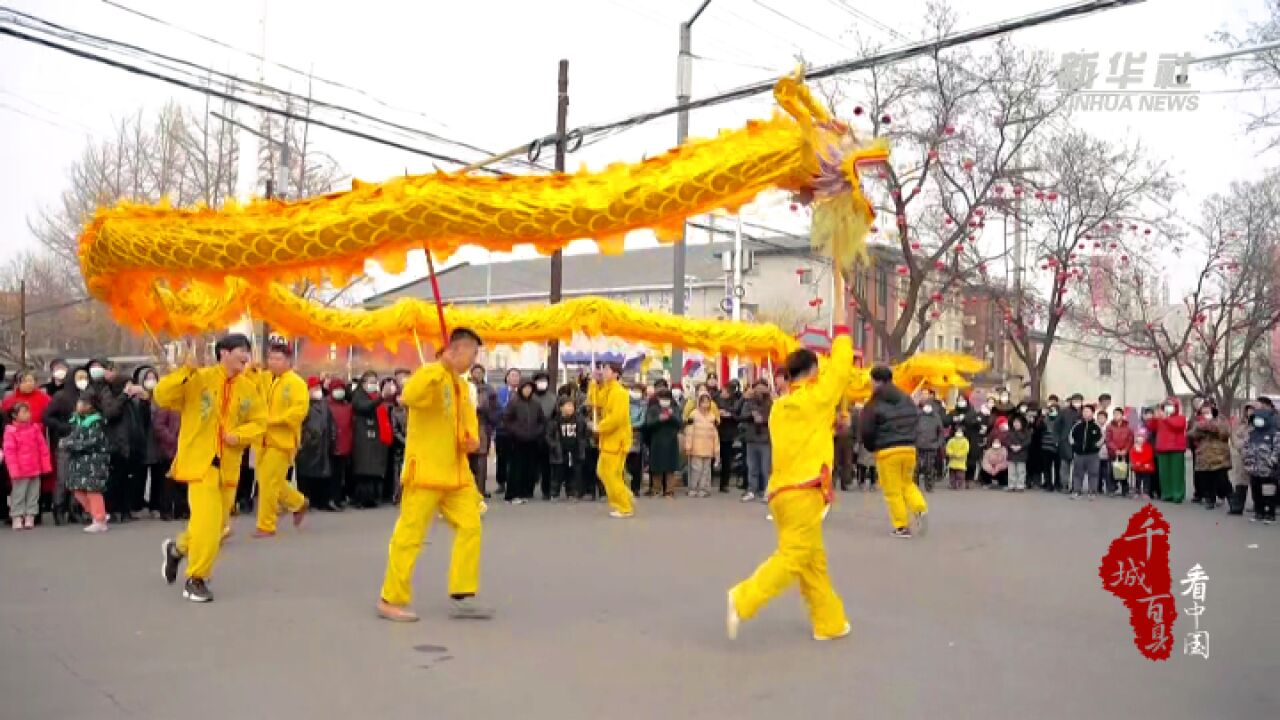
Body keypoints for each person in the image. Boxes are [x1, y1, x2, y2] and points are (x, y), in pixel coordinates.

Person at [726, 323, 854, 641]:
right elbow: (841, 369)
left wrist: (830, 425)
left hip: (782, 493)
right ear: (812, 372)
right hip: (804, 489)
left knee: (812, 561)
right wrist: (841, 333)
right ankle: (744, 598)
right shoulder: (815, 398)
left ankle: (830, 622)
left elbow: (809, 430)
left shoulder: (781, 407)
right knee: (796, 555)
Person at [376, 327, 492, 622]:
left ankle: (463, 590)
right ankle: (391, 598)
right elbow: (409, 396)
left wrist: (472, 440)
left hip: (456, 475)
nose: (474, 359)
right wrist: (438, 367)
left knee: (471, 525)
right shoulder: (429, 377)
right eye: (471, 352)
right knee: (410, 535)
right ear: (454, 351)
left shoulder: (463, 387)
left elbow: (469, 426)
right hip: (426, 472)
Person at [157, 334, 267, 603]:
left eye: (247, 351)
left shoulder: (248, 387)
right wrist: (185, 370)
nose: (245, 356)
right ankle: (195, 579)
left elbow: (260, 420)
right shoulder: (199, 378)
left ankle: (177, 549)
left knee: (217, 527)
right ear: (224, 353)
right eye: (240, 350)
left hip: (228, 467)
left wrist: (239, 435)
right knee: (206, 523)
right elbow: (162, 395)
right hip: (200, 464)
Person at [861, 366, 928, 538]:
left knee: (892, 490)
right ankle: (920, 508)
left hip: (887, 451)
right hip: (908, 448)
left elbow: (867, 430)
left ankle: (901, 526)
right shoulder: (905, 398)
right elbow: (915, 417)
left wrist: (871, 446)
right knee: (907, 483)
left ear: (876, 381)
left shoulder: (874, 403)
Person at [251, 343, 310, 537]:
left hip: (282, 441)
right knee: (269, 480)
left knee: (268, 483)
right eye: (271, 358)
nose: (273, 362)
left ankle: (266, 525)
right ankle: (298, 502)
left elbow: (299, 411)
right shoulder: (264, 378)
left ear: (288, 361)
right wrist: (251, 368)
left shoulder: (296, 383)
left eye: (278, 359)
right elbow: (247, 383)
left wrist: (274, 421)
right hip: (261, 440)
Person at [588, 361, 636, 518]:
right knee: (603, 471)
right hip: (607, 440)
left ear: (616, 373)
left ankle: (624, 505)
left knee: (611, 474)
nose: (603, 372)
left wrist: (599, 427)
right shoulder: (607, 390)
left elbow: (617, 418)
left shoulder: (620, 393)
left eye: (607, 369)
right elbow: (594, 401)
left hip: (617, 441)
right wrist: (594, 383)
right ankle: (624, 497)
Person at [44, 367, 91, 525]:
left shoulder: (87, 396)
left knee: (78, 478)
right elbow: (48, 417)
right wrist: (63, 427)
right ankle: (58, 508)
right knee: (63, 477)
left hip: (83, 441)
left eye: (85, 377)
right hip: (65, 440)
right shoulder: (61, 397)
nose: (82, 380)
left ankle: (74, 509)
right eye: (79, 377)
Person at [62, 392, 111, 533]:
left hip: (94, 461)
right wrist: (68, 442)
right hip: (78, 461)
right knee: (77, 490)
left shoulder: (97, 422)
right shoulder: (76, 420)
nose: (79, 405)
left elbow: (92, 442)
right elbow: (72, 437)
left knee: (93, 491)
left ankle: (99, 519)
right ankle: (98, 514)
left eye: (83, 403)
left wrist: (69, 444)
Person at [4, 402, 52, 529]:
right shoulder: (11, 431)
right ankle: (17, 516)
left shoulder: (35, 429)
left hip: (35, 468)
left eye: (28, 411)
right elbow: (9, 452)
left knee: (33, 493)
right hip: (20, 470)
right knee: (18, 494)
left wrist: (45, 465)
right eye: (24, 412)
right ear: (15, 415)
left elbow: (43, 448)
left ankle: (30, 515)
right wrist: (13, 469)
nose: (27, 414)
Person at [349, 371, 390, 508]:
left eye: (375, 382)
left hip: (374, 438)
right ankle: (360, 499)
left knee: (372, 470)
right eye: (371, 382)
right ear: (364, 383)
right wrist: (381, 398)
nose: (374, 385)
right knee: (363, 470)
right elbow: (364, 407)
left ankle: (371, 498)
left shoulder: (373, 395)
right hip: (362, 436)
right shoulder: (358, 395)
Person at [296, 377, 337, 511]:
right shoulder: (303, 404)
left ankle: (321, 501)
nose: (317, 391)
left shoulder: (325, 405)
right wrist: (304, 440)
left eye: (318, 388)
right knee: (306, 475)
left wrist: (332, 438)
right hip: (308, 446)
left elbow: (331, 423)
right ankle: (306, 501)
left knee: (322, 475)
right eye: (314, 389)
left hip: (323, 444)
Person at [502, 380, 544, 504]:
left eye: (530, 388)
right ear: (521, 389)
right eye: (525, 388)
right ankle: (511, 494)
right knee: (515, 468)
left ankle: (524, 492)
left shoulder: (536, 403)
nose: (527, 390)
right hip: (517, 440)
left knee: (529, 467)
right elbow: (506, 419)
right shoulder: (514, 402)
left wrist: (537, 432)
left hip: (532, 440)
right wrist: (516, 432)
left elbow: (541, 421)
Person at [149, 374, 183, 520]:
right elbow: (159, 426)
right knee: (167, 483)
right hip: (168, 449)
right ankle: (166, 510)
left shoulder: (184, 403)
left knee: (182, 482)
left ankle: (182, 509)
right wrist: (173, 440)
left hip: (183, 448)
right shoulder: (165, 404)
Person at [1188, 404, 1232, 510]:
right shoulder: (1198, 423)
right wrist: (1199, 429)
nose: (1205, 414)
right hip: (1204, 455)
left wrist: (1213, 428)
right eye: (1203, 412)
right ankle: (1210, 499)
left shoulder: (1221, 420)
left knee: (1222, 479)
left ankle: (1229, 497)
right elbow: (1190, 434)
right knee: (1207, 480)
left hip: (1219, 455)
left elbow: (1226, 432)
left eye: (1207, 412)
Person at [1242, 399, 1279, 524]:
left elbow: (1277, 450)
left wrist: (1271, 462)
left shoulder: (1274, 434)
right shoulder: (1252, 434)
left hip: (1268, 470)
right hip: (1254, 469)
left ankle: (1270, 513)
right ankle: (1259, 512)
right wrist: (1247, 462)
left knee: (1269, 492)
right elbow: (1245, 448)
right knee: (1256, 492)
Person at [546, 396, 587, 500]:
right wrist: (554, 446)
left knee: (572, 472)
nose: (570, 408)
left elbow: (583, 435)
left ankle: (571, 492)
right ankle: (554, 493)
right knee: (557, 473)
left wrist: (581, 447)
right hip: (559, 450)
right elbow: (548, 436)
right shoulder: (555, 420)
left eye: (572, 406)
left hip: (574, 450)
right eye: (567, 405)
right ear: (560, 407)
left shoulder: (579, 420)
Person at [645, 388, 682, 499]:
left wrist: (672, 416)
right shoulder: (653, 409)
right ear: (658, 398)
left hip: (671, 440)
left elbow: (680, 423)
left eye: (667, 398)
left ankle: (669, 491)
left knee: (670, 467)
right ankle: (656, 489)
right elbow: (648, 423)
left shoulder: (675, 408)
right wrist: (659, 419)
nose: (664, 400)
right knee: (656, 465)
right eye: (662, 398)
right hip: (657, 439)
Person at [1148, 398, 1188, 503]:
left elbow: (1178, 426)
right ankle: (1166, 494)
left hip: (1177, 448)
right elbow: (1151, 427)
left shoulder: (1181, 418)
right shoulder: (1160, 419)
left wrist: (1165, 418)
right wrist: (1154, 417)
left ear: (1176, 407)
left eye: (1170, 405)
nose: (1168, 408)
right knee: (1164, 473)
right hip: (1162, 448)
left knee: (1177, 473)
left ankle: (1177, 494)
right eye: (1166, 406)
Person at [740, 379, 773, 502]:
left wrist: (762, 418)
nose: (759, 390)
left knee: (766, 468)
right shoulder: (749, 402)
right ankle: (751, 490)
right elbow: (741, 416)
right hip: (751, 439)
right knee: (752, 467)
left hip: (765, 439)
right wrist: (751, 416)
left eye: (762, 387)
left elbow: (774, 417)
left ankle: (767, 491)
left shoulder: (770, 402)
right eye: (757, 387)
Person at [468, 364, 498, 499]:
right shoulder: (465, 387)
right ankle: (467, 489)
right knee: (466, 459)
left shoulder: (489, 390)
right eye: (475, 372)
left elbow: (494, 409)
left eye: (480, 372)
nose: (478, 374)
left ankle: (480, 490)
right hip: (467, 425)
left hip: (482, 425)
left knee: (481, 460)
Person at [325, 377, 354, 509]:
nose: (339, 391)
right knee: (331, 474)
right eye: (337, 388)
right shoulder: (326, 405)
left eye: (342, 389)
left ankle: (338, 498)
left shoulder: (347, 406)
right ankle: (330, 499)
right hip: (330, 444)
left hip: (344, 445)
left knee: (340, 474)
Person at [685, 392, 720, 497]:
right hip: (696, 447)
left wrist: (716, 450)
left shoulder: (712, 417)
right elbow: (689, 432)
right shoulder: (693, 415)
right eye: (703, 402)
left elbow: (715, 435)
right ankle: (693, 488)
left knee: (706, 470)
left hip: (708, 448)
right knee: (696, 469)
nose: (705, 404)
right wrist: (688, 446)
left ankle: (704, 489)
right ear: (698, 403)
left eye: (707, 402)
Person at [494, 368, 521, 496]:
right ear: (507, 378)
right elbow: (498, 407)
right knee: (502, 458)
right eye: (512, 375)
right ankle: (501, 482)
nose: (515, 378)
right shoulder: (500, 391)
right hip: (502, 430)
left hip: (518, 430)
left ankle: (515, 483)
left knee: (516, 457)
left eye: (517, 376)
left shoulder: (522, 392)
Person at [1069, 405, 1103, 500]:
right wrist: (1075, 447)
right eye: (1084, 411)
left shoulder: (1097, 426)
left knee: (1093, 474)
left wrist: (1096, 447)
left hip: (1093, 455)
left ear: (1092, 413)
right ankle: (1077, 491)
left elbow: (1102, 439)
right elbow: (1071, 437)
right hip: (1079, 454)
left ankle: (1092, 492)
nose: (1086, 413)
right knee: (1077, 474)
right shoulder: (1077, 425)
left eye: (1088, 411)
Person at [531, 371, 557, 500]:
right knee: (531, 463)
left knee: (546, 465)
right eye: (539, 380)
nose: (542, 383)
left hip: (547, 434)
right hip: (531, 434)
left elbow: (556, 416)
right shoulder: (530, 397)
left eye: (544, 381)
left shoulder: (552, 398)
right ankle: (528, 488)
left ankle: (546, 490)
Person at [713, 380, 742, 492]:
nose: (724, 393)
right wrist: (718, 413)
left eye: (727, 391)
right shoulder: (716, 398)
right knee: (711, 458)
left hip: (728, 433)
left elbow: (738, 414)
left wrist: (729, 413)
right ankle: (707, 482)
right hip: (715, 432)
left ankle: (724, 484)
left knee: (726, 460)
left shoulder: (735, 400)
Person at [914, 395, 944, 492]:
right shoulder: (918, 416)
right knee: (916, 468)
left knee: (929, 468)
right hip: (918, 446)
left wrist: (938, 444)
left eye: (929, 405)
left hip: (931, 446)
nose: (927, 407)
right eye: (926, 405)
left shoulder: (936, 417)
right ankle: (914, 486)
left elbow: (941, 432)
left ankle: (929, 486)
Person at [1055, 393, 1083, 495]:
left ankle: (1076, 486)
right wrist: (1057, 439)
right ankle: (1064, 484)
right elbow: (1056, 426)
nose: (1077, 403)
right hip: (1065, 441)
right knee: (1065, 464)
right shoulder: (1064, 412)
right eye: (1075, 401)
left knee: (1078, 465)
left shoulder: (1083, 412)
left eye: (1079, 401)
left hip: (1079, 442)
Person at [1104, 408, 1134, 498]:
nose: (1116, 416)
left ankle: (1125, 490)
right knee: (1112, 472)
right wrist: (1116, 450)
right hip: (1113, 453)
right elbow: (1108, 440)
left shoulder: (1128, 427)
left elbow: (1130, 440)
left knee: (1124, 471)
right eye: (1115, 414)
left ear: (1122, 415)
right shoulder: (1109, 427)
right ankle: (1112, 489)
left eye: (1118, 414)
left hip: (1125, 453)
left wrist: (1125, 450)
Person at [626, 384, 647, 497]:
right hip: (624, 435)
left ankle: (635, 488)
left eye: (638, 390)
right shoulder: (624, 403)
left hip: (637, 436)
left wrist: (631, 426)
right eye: (634, 390)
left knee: (636, 464)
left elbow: (642, 421)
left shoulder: (643, 405)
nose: (636, 392)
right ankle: (625, 487)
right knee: (625, 463)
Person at [1006, 415, 1031, 492]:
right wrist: (1011, 446)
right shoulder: (1010, 431)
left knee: (1021, 471)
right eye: (1015, 422)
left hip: (1022, 453)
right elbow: (1006, 440)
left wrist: (1020, 446)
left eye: (1018, 422)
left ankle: (1020, 486)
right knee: (1011, 471)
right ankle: (1011, 485)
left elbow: (1028, 441)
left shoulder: (1026, 432)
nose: (1016, 424)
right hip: (1011, 453)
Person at [1131, 432, 1156, 500]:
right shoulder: (1134, 447)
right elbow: (1132, 455)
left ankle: (1146, 492)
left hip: (1146, 467)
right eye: (1138, 438)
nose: (1140, 439)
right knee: (1137, 480)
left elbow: (1149, 456)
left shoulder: (1148, 446)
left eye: (1142, 438)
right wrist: (1135, 462)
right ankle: (1137, 491)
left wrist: (1141, 462)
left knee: (1146, 480)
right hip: (1137, 467)